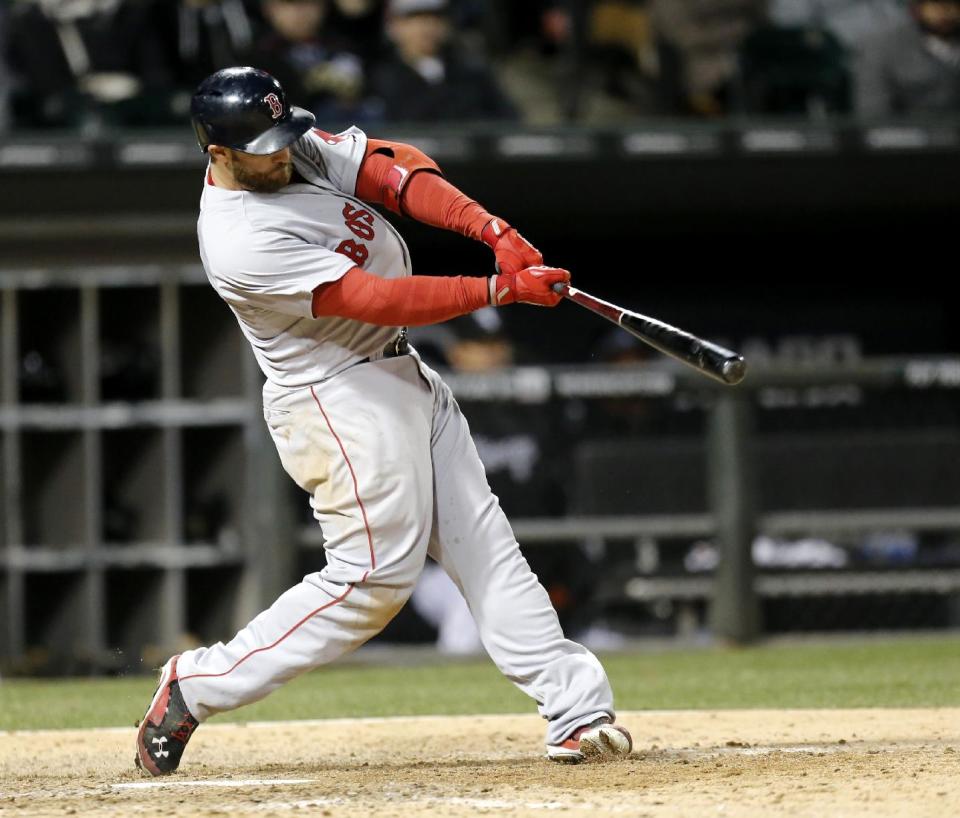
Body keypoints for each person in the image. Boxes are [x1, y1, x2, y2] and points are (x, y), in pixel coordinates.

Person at [134, 66, 631, 775]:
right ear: (218, 153)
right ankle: (196, 685)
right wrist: (498, 289)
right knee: (373, 581)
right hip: (337, 400)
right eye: (263, 149)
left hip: (398, 375)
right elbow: (375, 298)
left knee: (484, 542)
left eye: (283, 139)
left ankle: (576, 711)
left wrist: (492, 230)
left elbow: (391, 170)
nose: (282, 155)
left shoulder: (286, 150)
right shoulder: (238, 239)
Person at [371, 0, 518, 122]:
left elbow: (507, 121)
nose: (426, 27)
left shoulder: (472, 73)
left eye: (435, 18)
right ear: (394, 27)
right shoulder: (379, 77)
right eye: (414, 19)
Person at [855, 0, 960, 117]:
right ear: (915, 9)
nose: (947, 12)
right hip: (908, 130)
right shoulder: (883, 46)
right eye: (936, 6)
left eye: (953, 6)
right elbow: (874, 113)